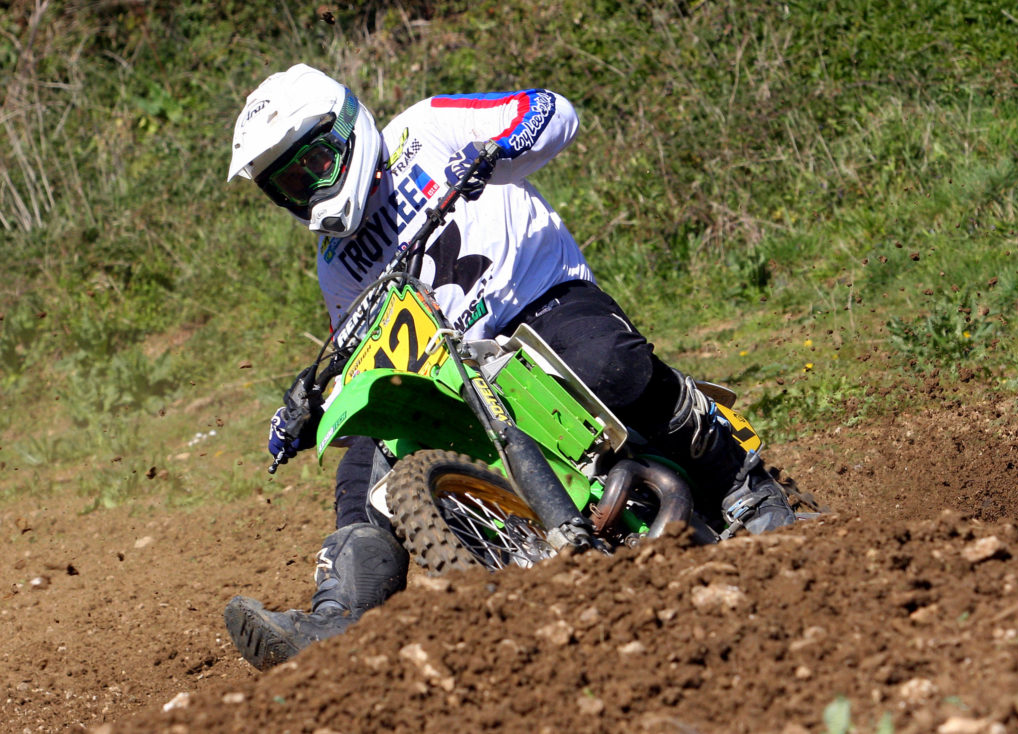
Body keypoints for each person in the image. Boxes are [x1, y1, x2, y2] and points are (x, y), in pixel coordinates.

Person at [222, 63, 795, 671]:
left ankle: (744, 488)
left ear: (344, 129)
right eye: (291, 184)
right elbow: (362, 350)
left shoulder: (426, 128)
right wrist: (312, 405)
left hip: (537, 305)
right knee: (360, 471)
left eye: (313, 164)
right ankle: (338, 622)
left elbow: (549, 109)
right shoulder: (335, 259)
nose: (309, 187)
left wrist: (500, 148)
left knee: (609, 367)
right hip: (448, 374)